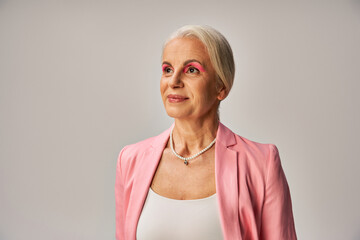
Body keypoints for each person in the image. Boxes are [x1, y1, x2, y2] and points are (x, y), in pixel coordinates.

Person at [115, 25, 297, 240]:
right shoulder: (130, 160)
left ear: (221, 86)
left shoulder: (261, 163)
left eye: (191, 70)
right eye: (167, 70)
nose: (173, 82)